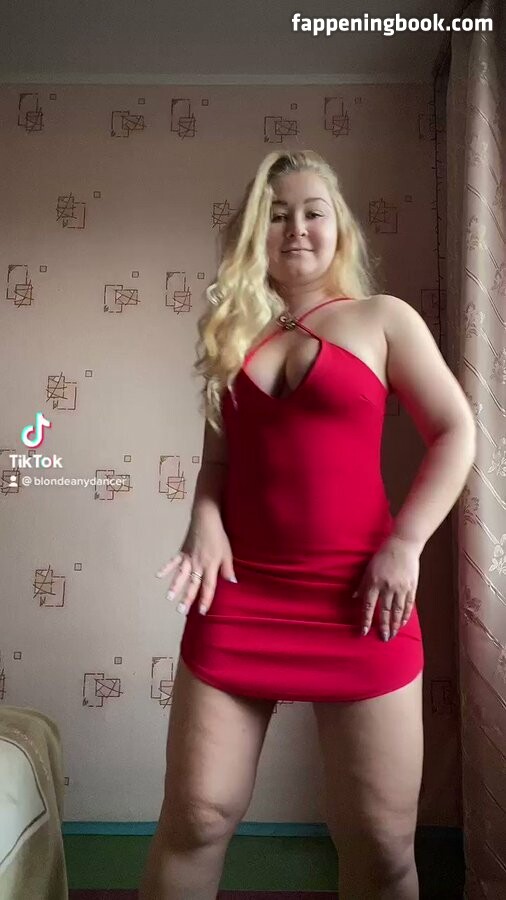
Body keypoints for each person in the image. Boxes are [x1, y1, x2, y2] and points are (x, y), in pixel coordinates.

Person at [139, 150, 476, 900]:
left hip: (363, 597)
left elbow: (456, 431)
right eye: (277, 214)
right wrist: (203, 521)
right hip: (241, 594)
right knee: (196, 817)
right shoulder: (232, 332)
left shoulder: (384, 318)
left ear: (339, 227)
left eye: (312, 211)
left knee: (380, 842)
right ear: (254, 233)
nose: (296, 227)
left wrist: (406, 543)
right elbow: (218, 465)